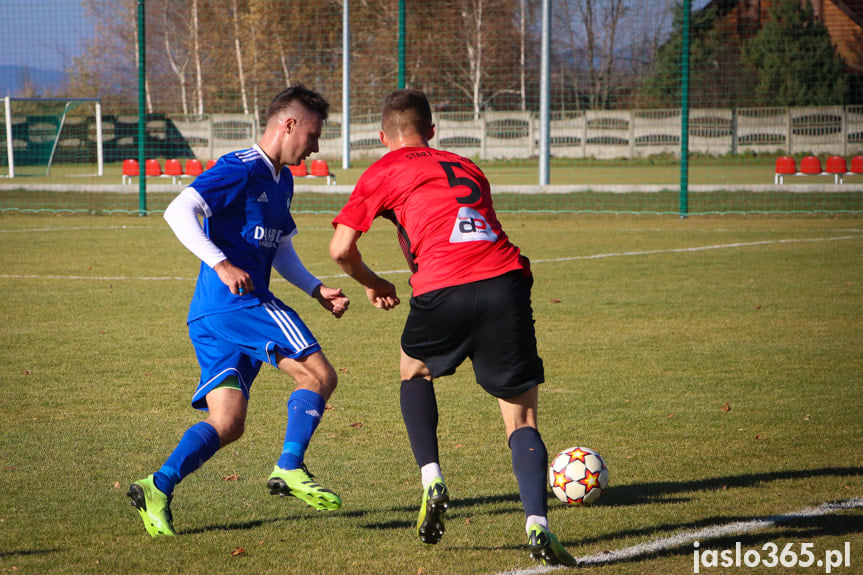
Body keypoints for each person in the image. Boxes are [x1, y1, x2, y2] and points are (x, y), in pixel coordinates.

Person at [329, 89, 577, 567]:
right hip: (505, 280)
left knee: (413, 370)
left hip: (442, 284)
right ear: (433, 131)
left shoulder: (384, 168)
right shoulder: (466, 165)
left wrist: (372, 281)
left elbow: (341, 249)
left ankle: (432, 477)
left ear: (384, 138)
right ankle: (537, 525)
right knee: (521, 417)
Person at [128, 84, 349, 537]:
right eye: (313, 134)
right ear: (288, 125)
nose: (316, 146)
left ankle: (157, 486)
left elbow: (280, 246)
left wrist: (315, 288)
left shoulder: (282, 179)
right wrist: (221, 262)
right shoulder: (239, 167)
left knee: (227, 423)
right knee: (320, 376)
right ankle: (289, 466)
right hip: (237, 303)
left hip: (211, 317)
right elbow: (178, 210)